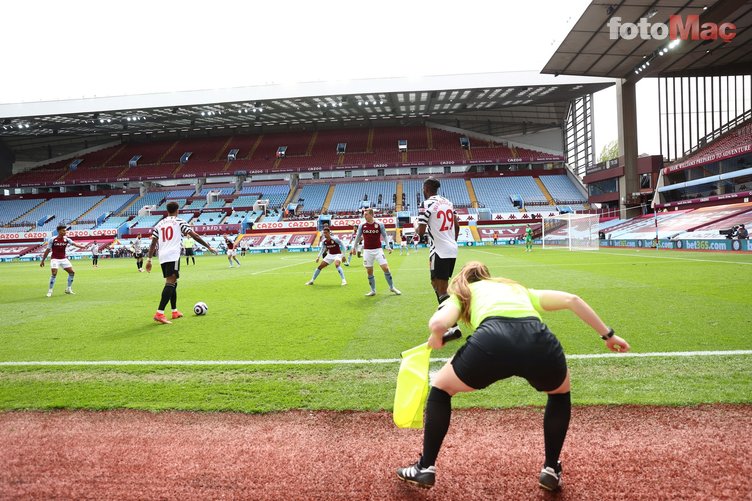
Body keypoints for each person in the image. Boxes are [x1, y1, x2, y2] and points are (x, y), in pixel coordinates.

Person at [396, 261, 631, 491]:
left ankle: (425, 467)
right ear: (487, 275)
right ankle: (550, 468)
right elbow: (572, 300)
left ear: (462, 280)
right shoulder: (515, 288)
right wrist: (608, 335)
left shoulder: (464, 293)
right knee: (559, 394)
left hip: (491, 342)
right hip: (537, 339)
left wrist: (437, 338)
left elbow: (438, 323)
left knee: (440, 388)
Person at [145, 201, 217, 324]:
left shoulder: (160, 223)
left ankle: (174, 311)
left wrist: (149, 259)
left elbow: (153, 243)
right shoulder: (179, 222)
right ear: (177, 210)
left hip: (162, 256)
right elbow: (195, 236)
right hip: (173, 255)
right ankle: (159, 313)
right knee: (170, 282)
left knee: (173, 282)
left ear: (167, 211)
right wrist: (209, 247)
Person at [416, 177, 460, 303]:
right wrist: (452, 241)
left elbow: (421, 232)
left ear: (426, 189)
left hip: (439, 250)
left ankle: (451, 321)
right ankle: (445, 313)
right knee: (435, 282)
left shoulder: (426, 204)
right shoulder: (448, 202)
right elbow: (457, 226)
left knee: (442, 289)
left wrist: (415, 226)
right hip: (451, 248)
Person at [350, 208, 401, 296]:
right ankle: (373, 290)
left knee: (385, 268)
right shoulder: (362, 225)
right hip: (367, 251)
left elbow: (384, 235)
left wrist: (388, 246)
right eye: (364, 214)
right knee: (369, 271)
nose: (364, 216)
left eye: (366, 214)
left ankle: (392, 287)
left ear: (371, 214)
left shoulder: (379, 224)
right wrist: (354, 247)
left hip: (378, 250)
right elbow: (358, 237)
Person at [40, 224, 90, 297]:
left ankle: (68, 289)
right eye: (63, 230)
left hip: (63, 259)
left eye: (65, 230)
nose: (65, 232)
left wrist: (83, 246)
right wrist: (43, 260)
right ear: (59, 231)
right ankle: (50, 291)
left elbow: (74, 244)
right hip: (55, 259)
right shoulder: (53, 239)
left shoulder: (66, 239)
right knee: (54, 273)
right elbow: (48, 250)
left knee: (72, 272)